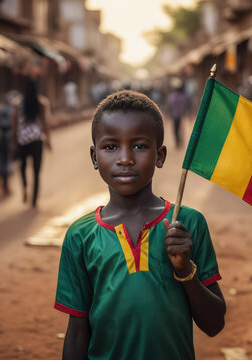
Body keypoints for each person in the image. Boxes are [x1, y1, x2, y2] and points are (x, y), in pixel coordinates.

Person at [55, 90, 226, 359]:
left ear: (160, 156)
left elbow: (215, 324)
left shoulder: (187, 224)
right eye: (110, 146)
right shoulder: (81, 235)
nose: (125, 158)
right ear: (94, 156)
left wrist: (185, 270)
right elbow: (77, 331)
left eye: (139, 146)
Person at [12, 81, 51, 208]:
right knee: (36, 172)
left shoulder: (17, 103)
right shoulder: (42, 103)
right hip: (36, 139)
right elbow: (45, 123)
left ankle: (24, 188)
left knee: (22, 166)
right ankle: (34, 200)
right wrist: (48, 140)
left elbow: (14, 123)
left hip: (22, 140)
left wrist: (14, 139)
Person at [167, 78, 190, 149]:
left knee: (176, 129)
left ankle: (177, 142)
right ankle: (180, 142)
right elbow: (187, 105)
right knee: (181, 129)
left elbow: (169, 107)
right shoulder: (184, 96)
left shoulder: (171, 96)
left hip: (175, 115)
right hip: (181, 115)